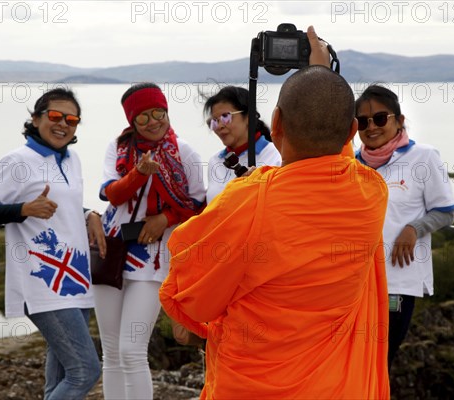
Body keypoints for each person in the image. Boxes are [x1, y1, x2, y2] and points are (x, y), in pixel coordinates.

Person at [159, 31, 391, 399]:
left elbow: (190, 295)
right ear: (352, 131)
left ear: (276, 123)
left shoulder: (249, 201)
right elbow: (336, 157)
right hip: (338, 388)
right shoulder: (371, 191)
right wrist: (321, 72)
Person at [0, 88, 104, 399]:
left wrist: (90, 214)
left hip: (76, 280)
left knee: (61, 376)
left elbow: (66, 206)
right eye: (55, 116)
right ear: (36, 119)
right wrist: (23, 209)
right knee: (86, 370)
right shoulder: (17, 161)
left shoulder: (72, 160)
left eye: (72, 119)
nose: (63, 124)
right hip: (41, 282)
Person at [93, 82, 206, 399]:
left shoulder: (185, 152)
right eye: (143, 117)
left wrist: (165, 219)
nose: (153, 121)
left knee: (131, 349)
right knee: (112, 352)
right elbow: (113, 194)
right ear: (132, 121)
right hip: (111, 250)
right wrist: (139, 173)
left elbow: (199, 206)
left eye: (159, 112)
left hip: (153, 259)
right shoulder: (118, 147)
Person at [354, 84, 454, 370]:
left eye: (380, 118)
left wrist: (413, 228)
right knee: (354, 365)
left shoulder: (424, 157)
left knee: (379, 363)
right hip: (353, 284)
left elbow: (445, 212)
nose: (371, 127)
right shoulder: (351, 163)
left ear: (399, 120)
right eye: (362, 121)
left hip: (396, 282)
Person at [203, 85, 282, 203]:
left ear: (248, 117)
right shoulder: (215, 161)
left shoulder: (275, 156)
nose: (219, 126)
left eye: (225, 116)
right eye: (214, 121)